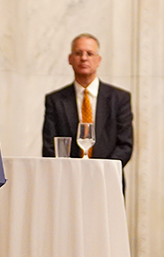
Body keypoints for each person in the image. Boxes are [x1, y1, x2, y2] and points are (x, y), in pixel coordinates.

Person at [42, 33, 134, 167]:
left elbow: (125, 145)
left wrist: (99, 170)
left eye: (90, 54)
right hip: (68, 178)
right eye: (79, 53)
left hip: (107, 178)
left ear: (99, 60)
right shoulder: (55, 100)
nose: (84, 58)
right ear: (70, 59)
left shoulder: (120, 99)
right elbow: (50, 146)